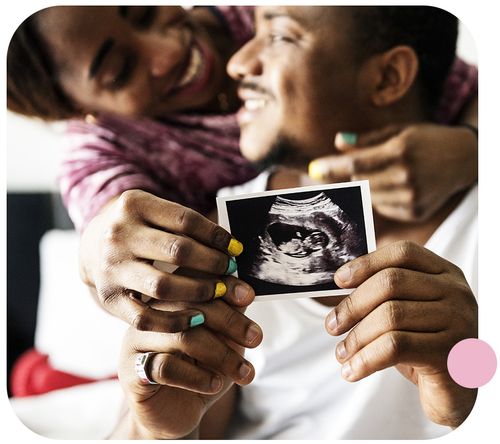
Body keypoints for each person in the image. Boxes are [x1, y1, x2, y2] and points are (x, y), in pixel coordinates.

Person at [112, 6, 478, 439]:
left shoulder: (480, 223)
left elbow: (473, 392)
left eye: (281, 36)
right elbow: (173, 419)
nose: (239, 63)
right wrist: (156, 429)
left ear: (387, 77)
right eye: (254, 30)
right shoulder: (214, 238)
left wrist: (469, 381)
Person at [7, 6, 478, 333]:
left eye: (146, 10)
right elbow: (121, 230)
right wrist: (99, 245)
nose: (168, 50)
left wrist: (474, 149)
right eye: (119, 72)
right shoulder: (101, 157)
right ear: (81, 110)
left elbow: (431, 62)